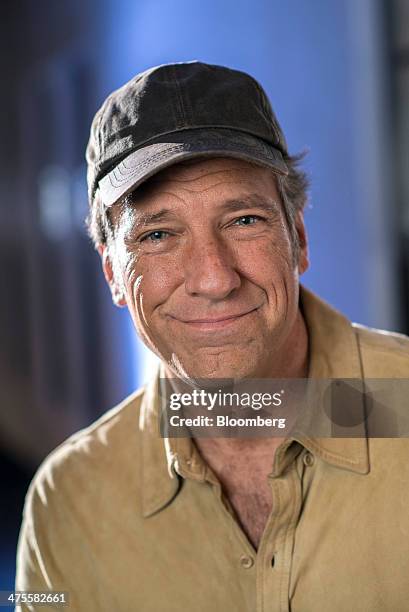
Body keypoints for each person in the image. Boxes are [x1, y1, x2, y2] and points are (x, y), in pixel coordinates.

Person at [15, 61, 409, 612]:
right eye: (157, 234)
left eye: (244, 220)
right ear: (112, 274)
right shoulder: (70, 502)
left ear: (297, 237)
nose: (214, 278)